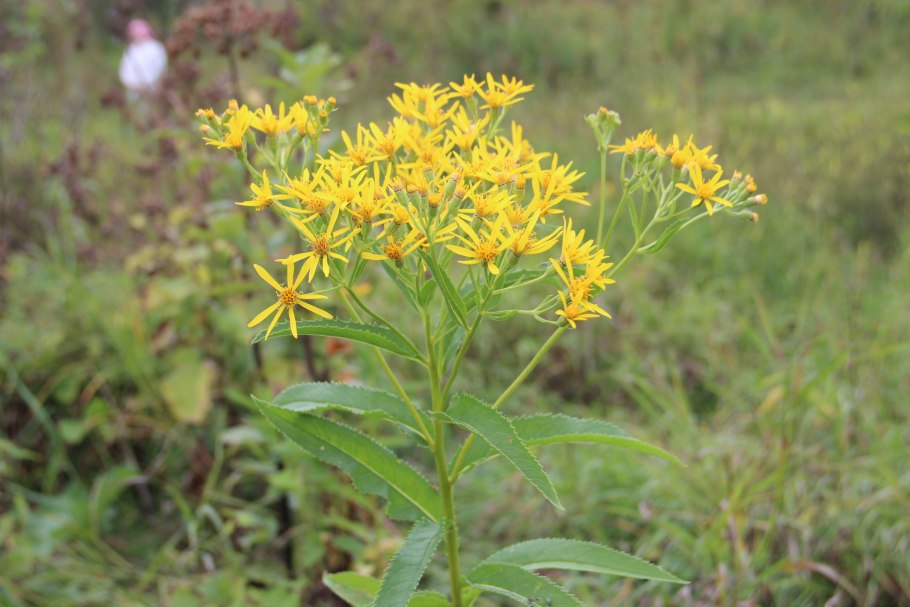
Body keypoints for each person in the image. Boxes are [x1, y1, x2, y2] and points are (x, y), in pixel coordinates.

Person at [118, 19, 167, 100]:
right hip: (134, 92)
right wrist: (133, 84)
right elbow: (125, 70)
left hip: (154, 89)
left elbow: (160, 66)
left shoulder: (156, 47)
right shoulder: (131, 49)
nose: (137, 36)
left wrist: (147, 84)